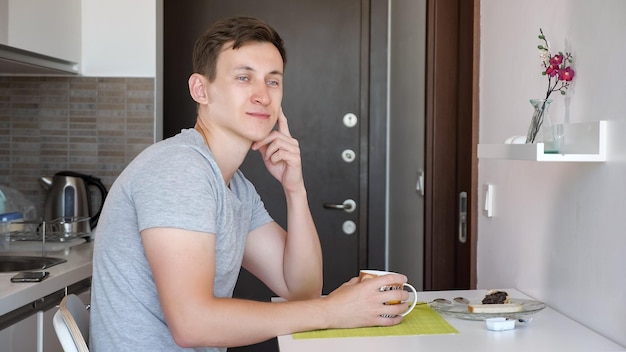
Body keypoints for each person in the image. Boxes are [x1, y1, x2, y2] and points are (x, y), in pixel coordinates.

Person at [90, 16, 410, 352]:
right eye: (244, 78)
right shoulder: (179, 170)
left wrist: (295, 190)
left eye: (273, 82)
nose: (262, 96)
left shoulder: (234, 186)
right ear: (201, 89)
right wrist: (334, 311)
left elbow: (300, 289)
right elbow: (192, 324)